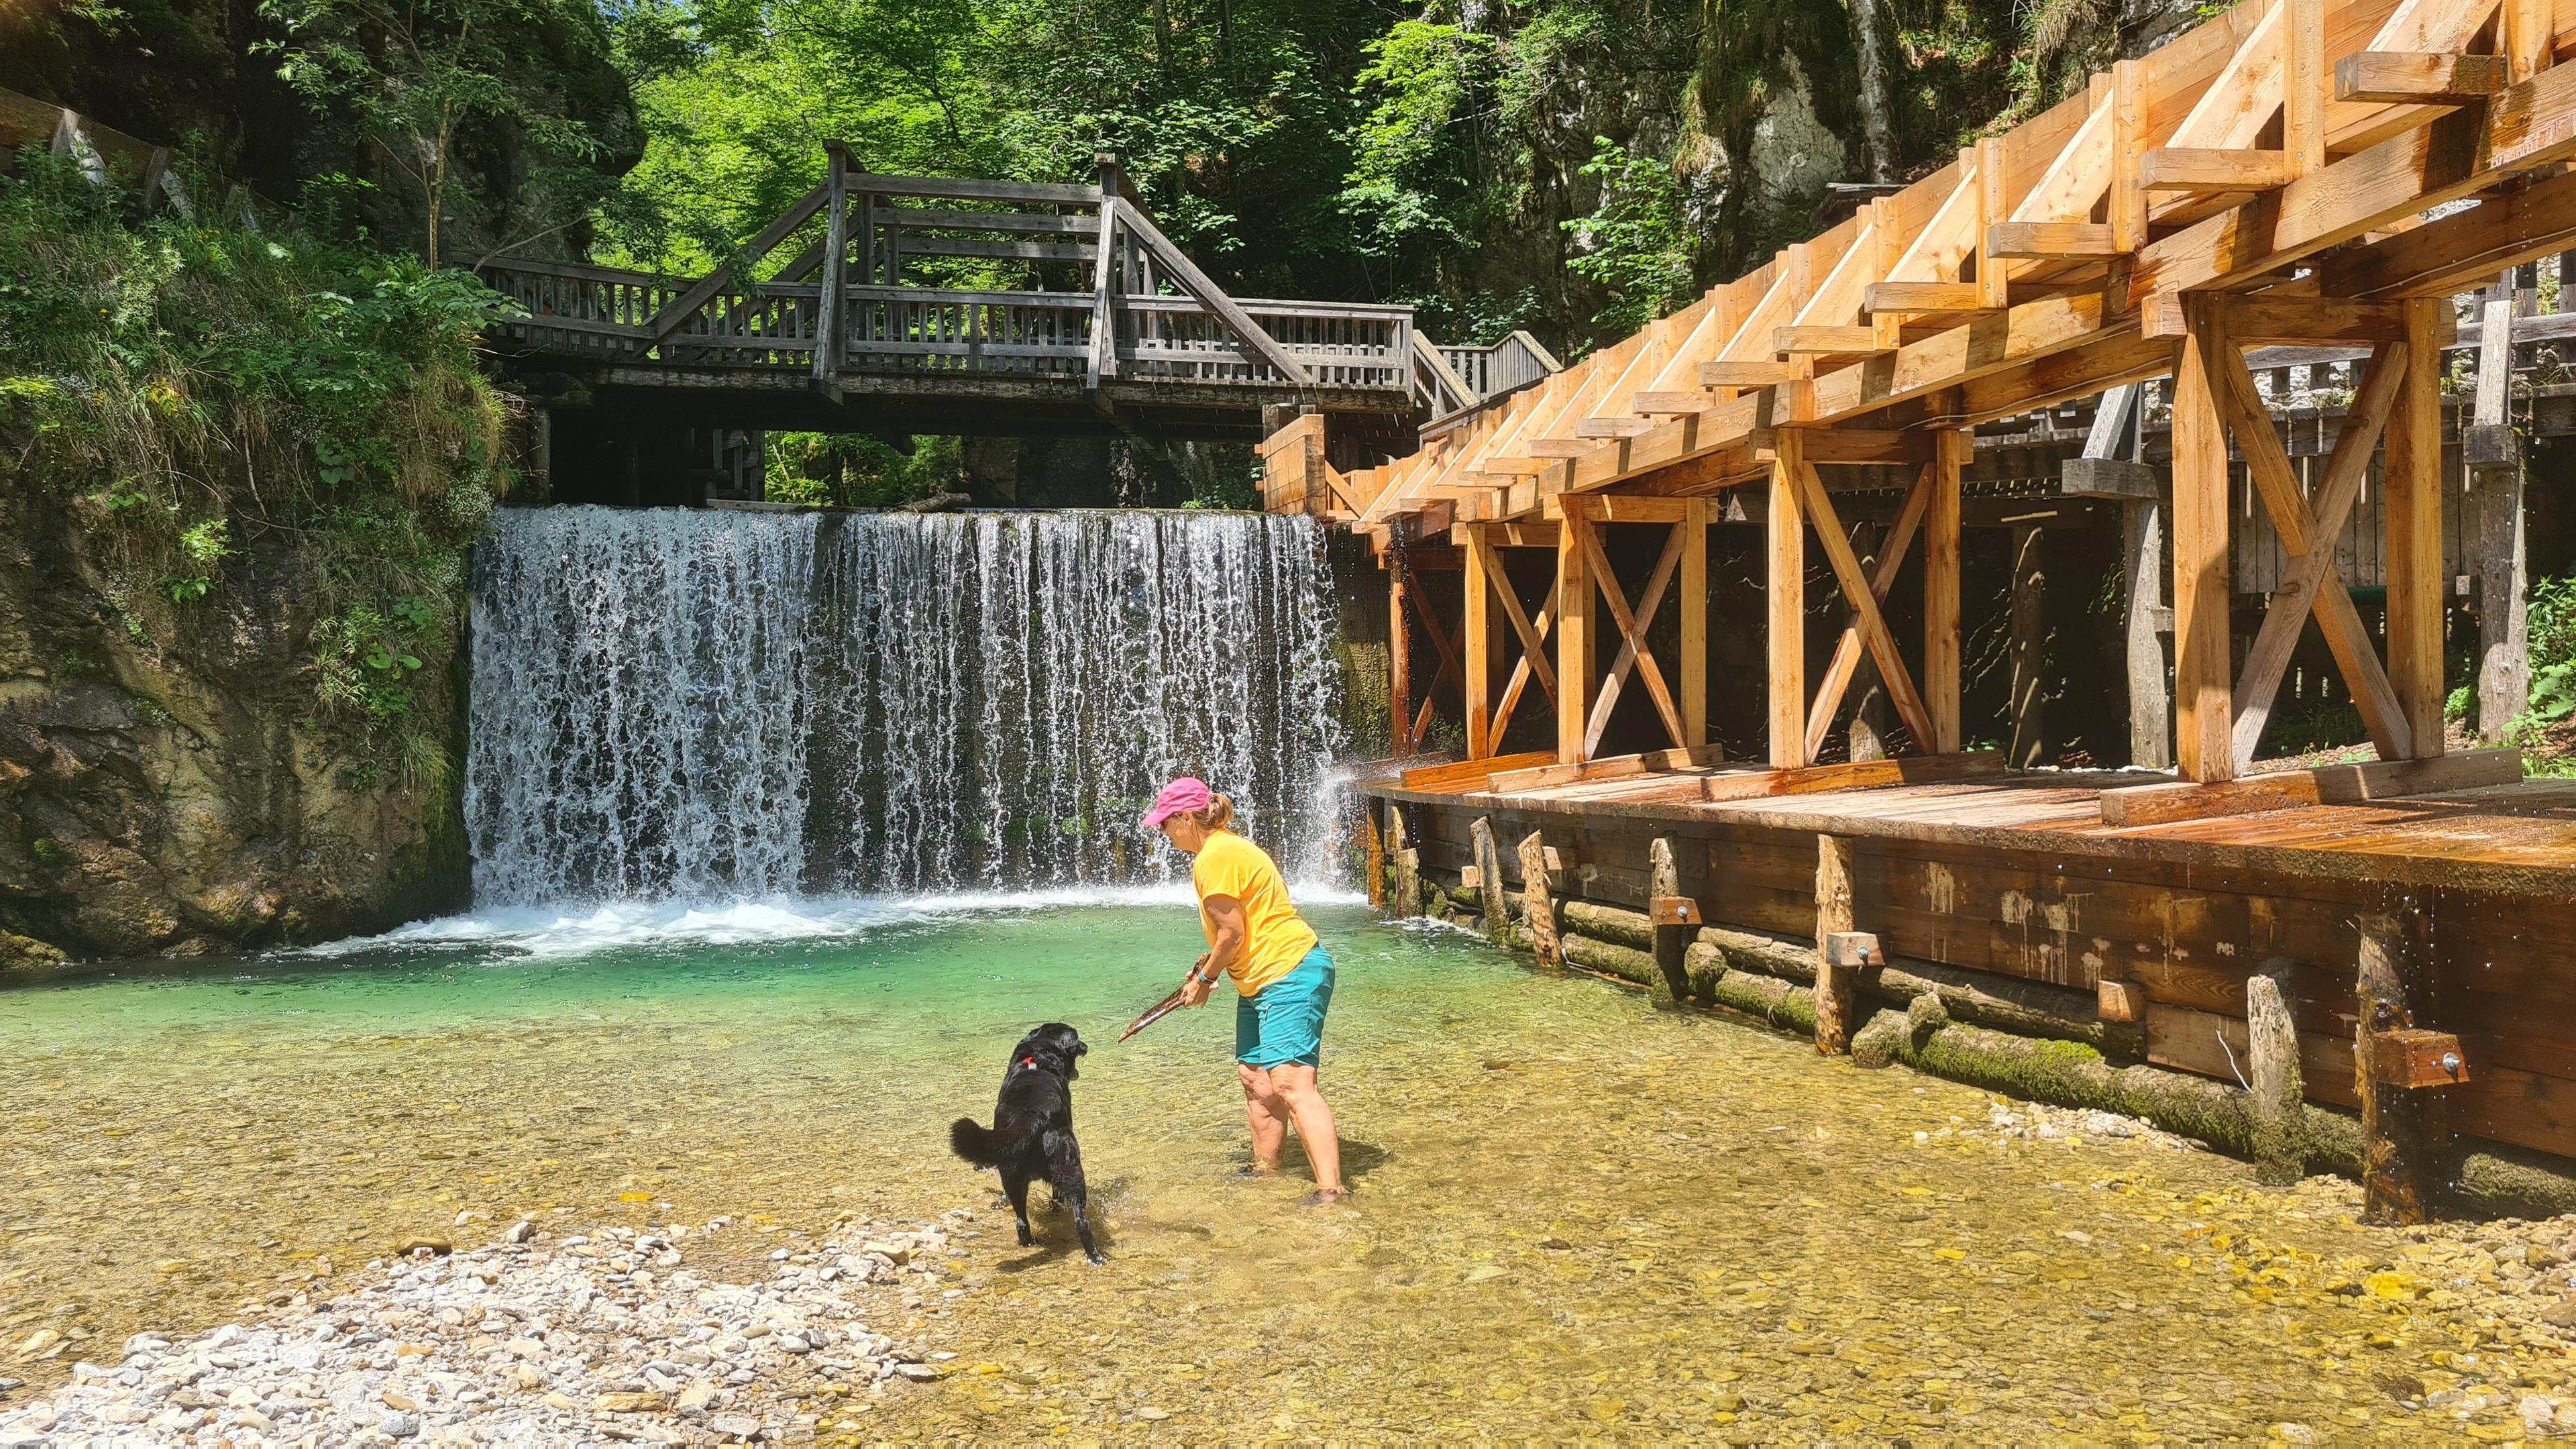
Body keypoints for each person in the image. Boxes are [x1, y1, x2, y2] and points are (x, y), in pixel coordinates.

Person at [1140, 775, 1344, 1203]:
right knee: (1256, 1077)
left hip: (1288, 971)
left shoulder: (1214, 856)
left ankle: (1331, 1191)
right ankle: (1266, 1171)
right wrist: (1205, 966)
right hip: (1261, 977)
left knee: (1291, 1083)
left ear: (1184, 818)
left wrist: (1206, 980)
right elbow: (1242, 926)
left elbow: (1232, 932)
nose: (1162, 832)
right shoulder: (1224, 849)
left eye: (1164, 824)